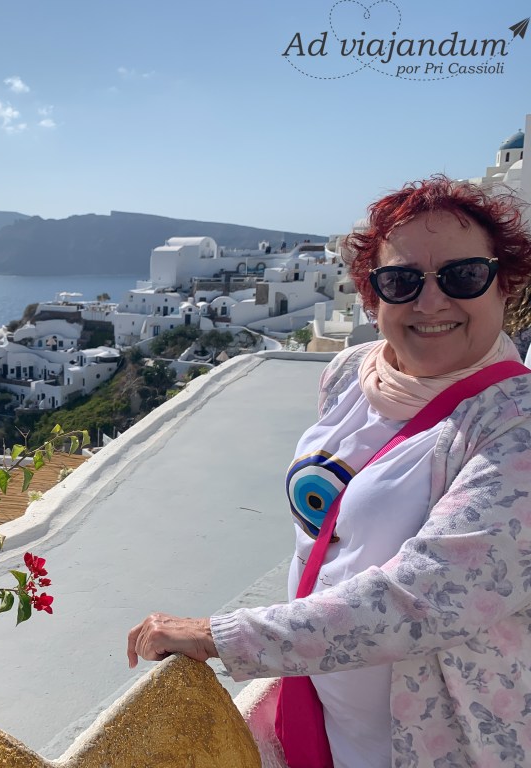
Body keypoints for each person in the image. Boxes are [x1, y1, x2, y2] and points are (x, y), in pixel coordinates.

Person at [126, 176, 531, 767]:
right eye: (402, 280)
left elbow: (424, 598)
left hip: (432, 744)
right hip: (318, 714)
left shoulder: (515, 427)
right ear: (373, 293)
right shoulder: (351, 375)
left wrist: (222, 636)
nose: (430, 302)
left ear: (505, 283)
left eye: (463, 275)